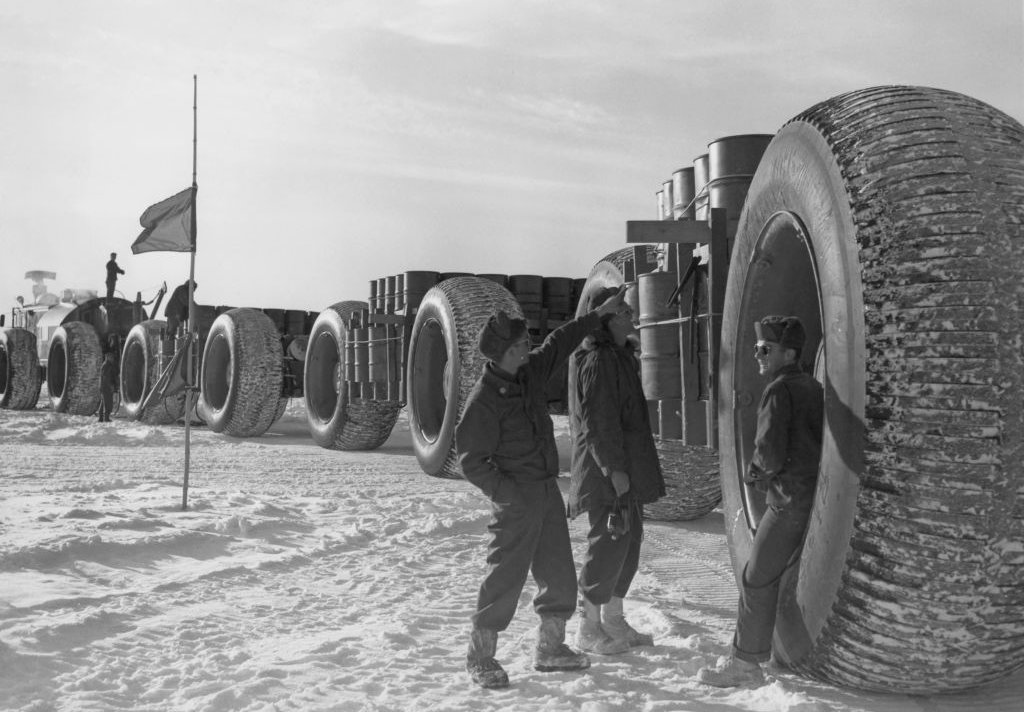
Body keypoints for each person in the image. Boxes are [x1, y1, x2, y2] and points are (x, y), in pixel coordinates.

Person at [456, 287, 629, 690]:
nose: (526, 350)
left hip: (546, 492)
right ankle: (480, 657)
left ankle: (550, 649)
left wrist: (596, 316)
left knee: (559, 575)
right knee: (504, 579)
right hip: (516, 498)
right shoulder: (484, 400)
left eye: (525, 343)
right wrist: (507, 493)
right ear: (499, 352)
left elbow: (560, 341)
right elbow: (471, 461)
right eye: (518, 346)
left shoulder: (529, 372)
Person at [697, 315, 823, 687]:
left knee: (756, 578)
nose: (758, 355)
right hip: (812, 496)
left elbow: (767, 452)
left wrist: (753, 474)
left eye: (765, 349)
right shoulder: (813, 387)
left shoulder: (778, 390)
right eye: (756, 349)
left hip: (787, 501)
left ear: (789, 352)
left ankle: (745, 665)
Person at [567, 286, 666, 656]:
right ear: (605, 320)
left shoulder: (621, 357)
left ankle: (612, 619)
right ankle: (588, 627)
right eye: (623, 309)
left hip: (624, 469)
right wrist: (614, 471)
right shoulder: (598, 361)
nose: (631, 313)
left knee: (629, 542)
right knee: (608, 543)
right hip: (605, 471)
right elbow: (598, 425)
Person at [164, 280, 196, 352]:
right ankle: (169, 350)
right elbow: (186, 301)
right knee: (172, 330)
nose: (193, 291)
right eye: (193, 288)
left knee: (176, 331)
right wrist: (196, 307)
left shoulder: (185, 291)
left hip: (177, 313)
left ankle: (172, 348)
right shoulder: (182, 289)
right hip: (174, 312)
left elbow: (187, 306)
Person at [98, 351, 117, 423]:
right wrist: (111, 386)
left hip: (104, 387)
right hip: (106, 387)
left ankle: (101, 418)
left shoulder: (107, 365)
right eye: (111, 357)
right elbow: (106, 377)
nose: (112, 358)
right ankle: (106, 418)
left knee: (103, 402)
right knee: (108, 403)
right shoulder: (106, 365)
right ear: (107, 357)